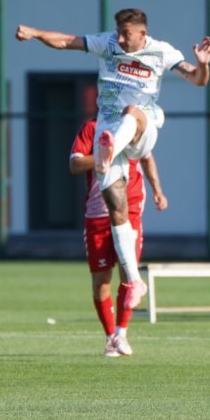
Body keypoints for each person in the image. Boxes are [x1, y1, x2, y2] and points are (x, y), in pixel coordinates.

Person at [16, 9, 210, 313]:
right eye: (118, 32)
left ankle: (110, 149)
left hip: (142, 128)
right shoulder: (107, 43)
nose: (120, 38)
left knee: (132, 113)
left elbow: (198, 80)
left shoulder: (161, 51)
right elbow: (67, 42)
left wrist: (203, 66)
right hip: (107, 135)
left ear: (141, 33)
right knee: (116, 210)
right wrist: (35, 33)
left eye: (126, 33)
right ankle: (135, 281)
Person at [70, 120, 167, 357]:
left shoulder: (132, 126)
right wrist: (103, 156)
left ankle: (121, 334)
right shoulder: (92, 128)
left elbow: (146, 157)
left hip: (130, 211)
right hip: (98, 215)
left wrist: (157, 190)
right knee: (101, 281)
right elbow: (75, 164)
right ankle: (110, 336)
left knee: (128, 274)